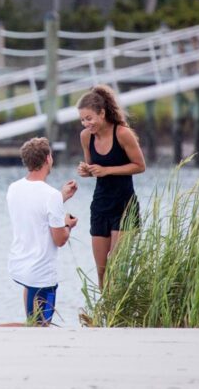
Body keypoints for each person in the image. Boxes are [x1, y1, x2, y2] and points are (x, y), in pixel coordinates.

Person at [0, 137, 78, 327]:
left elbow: (34, 210)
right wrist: (67, 225)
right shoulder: (51, 195)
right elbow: (60, 239)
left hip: (20, 265)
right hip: (41, 272)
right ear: (48, 159)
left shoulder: (14, 188)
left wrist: (61, 198)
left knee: (33, 322)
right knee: (37, 327)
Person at [76, 85, 146, 288]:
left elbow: (140, 166)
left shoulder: (123, 134)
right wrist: (86, 171)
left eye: (89, 118)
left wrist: (107, 170)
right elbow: (93, 167)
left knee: (116, 267)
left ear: (102, 113)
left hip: (124, 206)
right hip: (100, 206)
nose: (86, 123)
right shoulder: (86, 136)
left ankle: (119, 315)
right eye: (82, 119)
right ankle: (105, 317)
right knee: (102, 272)